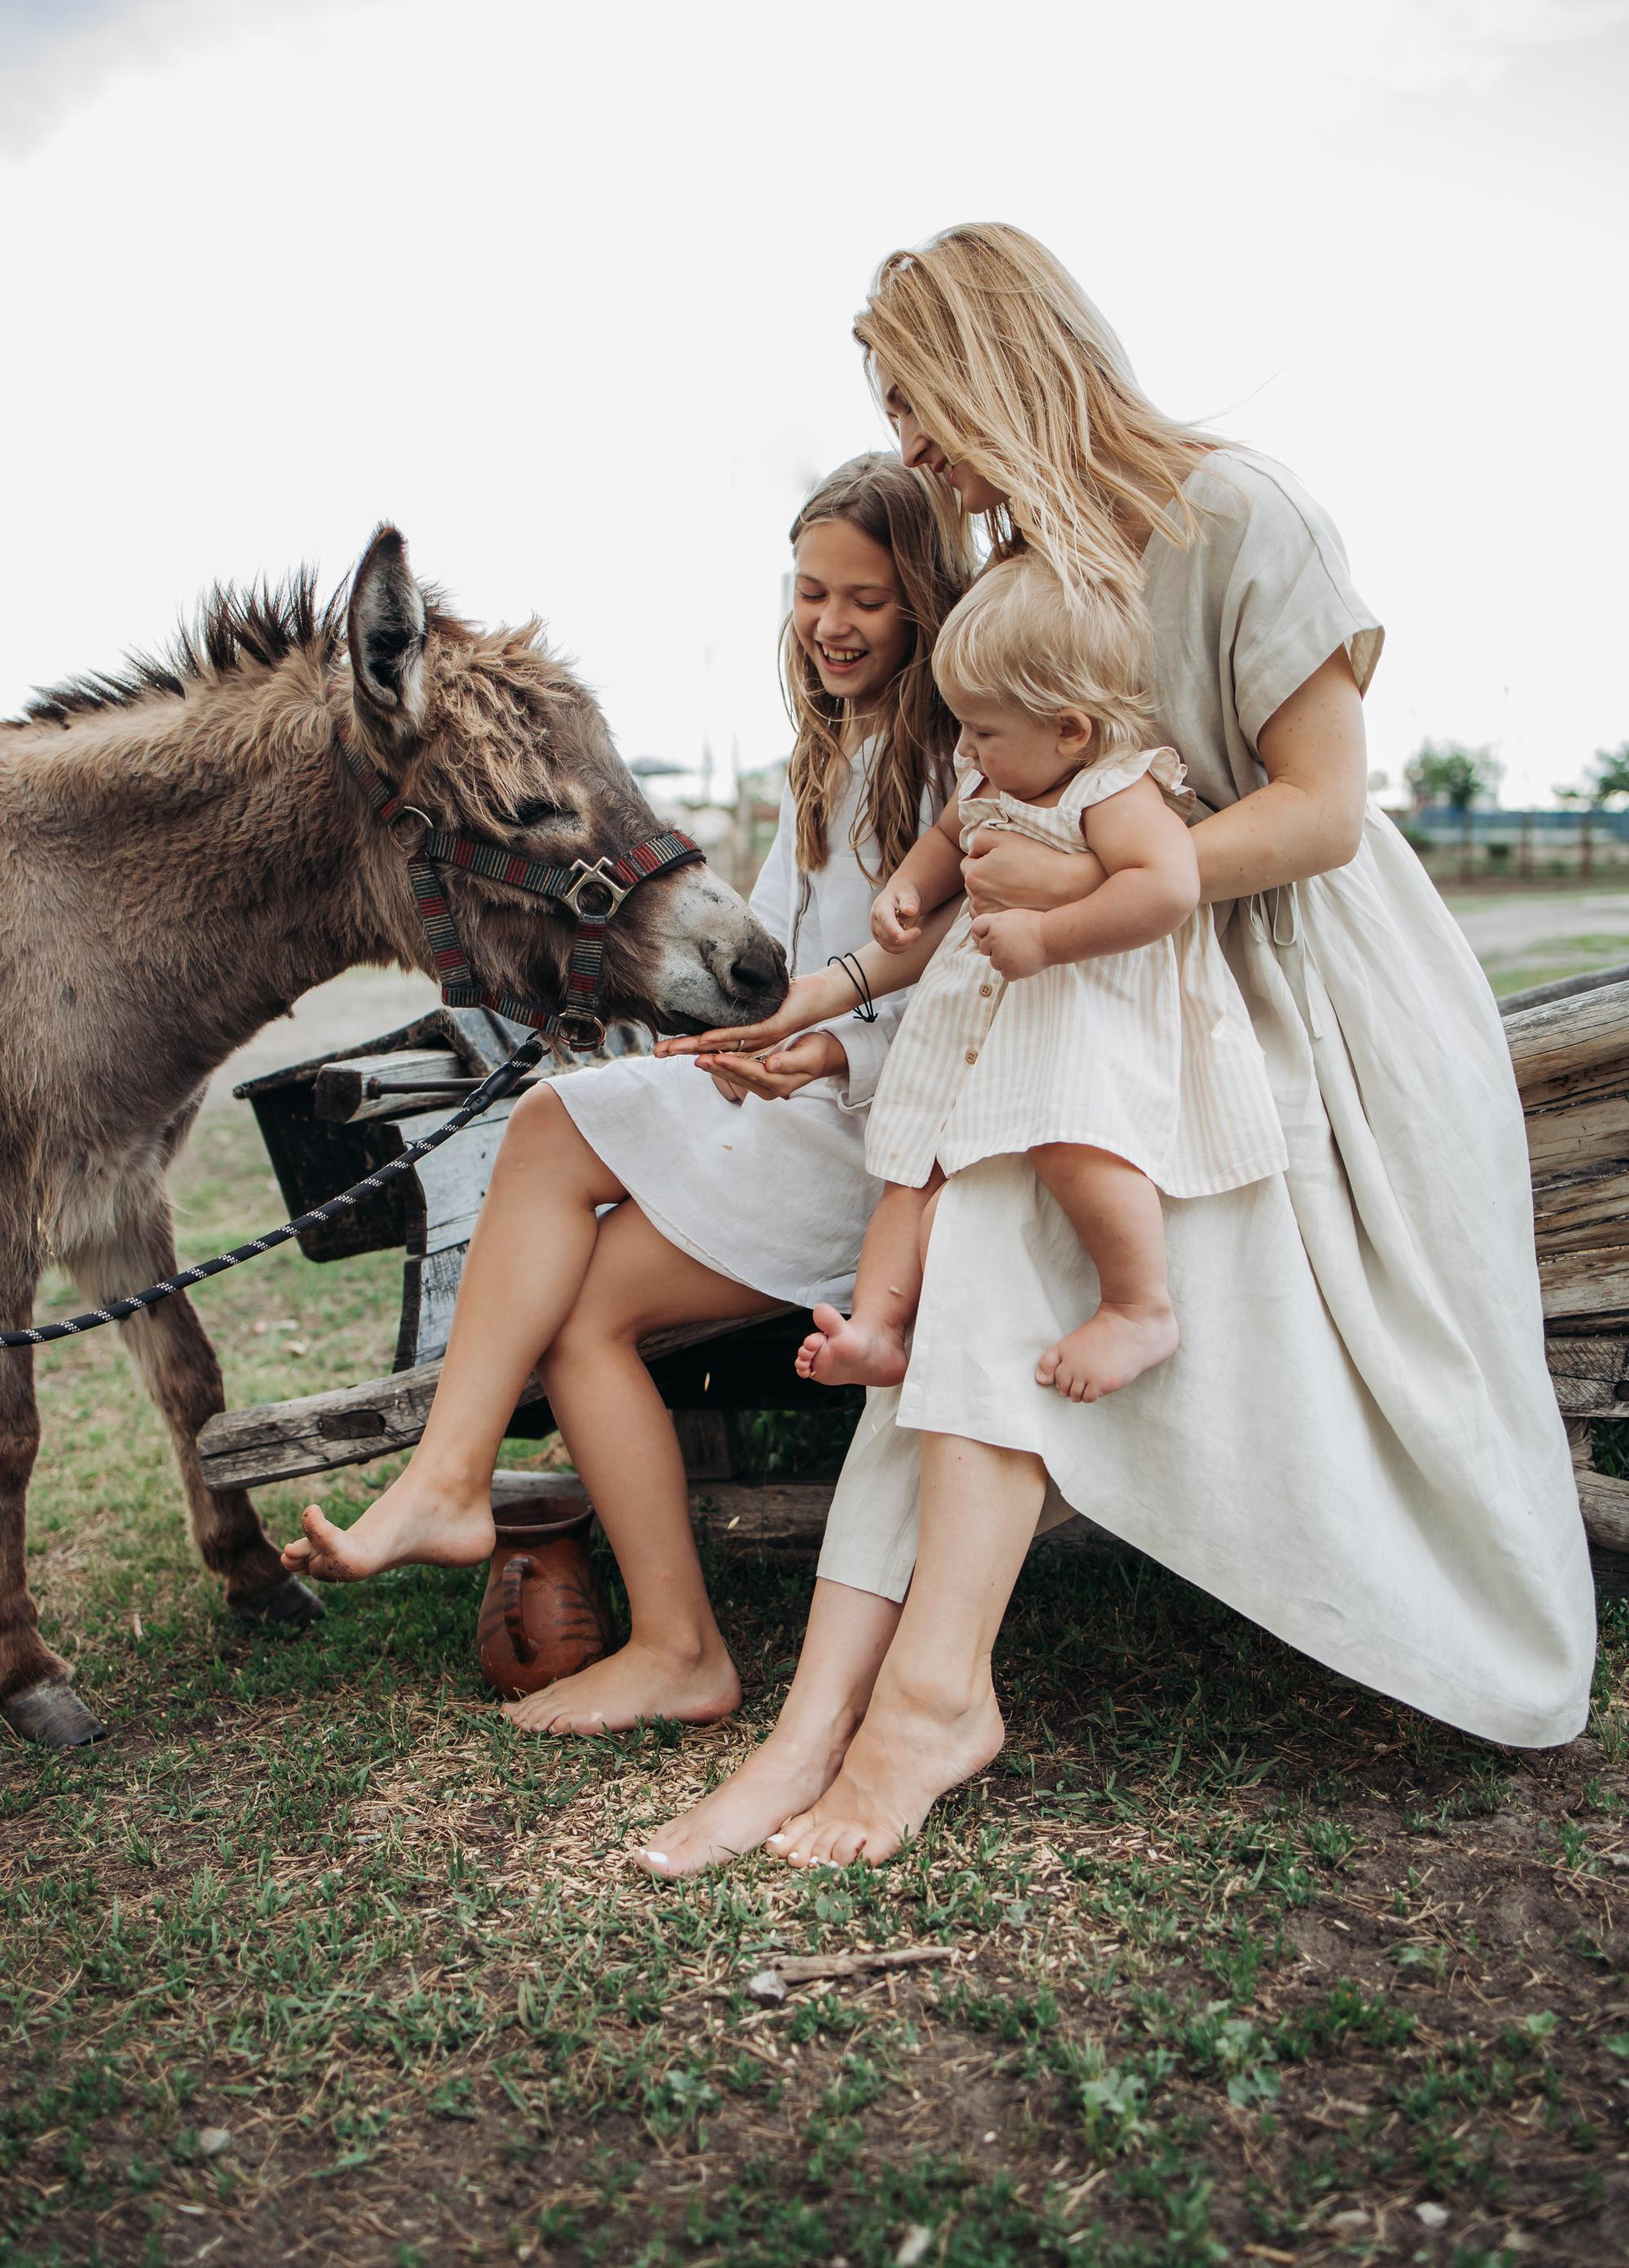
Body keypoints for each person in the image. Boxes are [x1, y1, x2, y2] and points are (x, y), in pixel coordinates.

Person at [641, 221, 1595, 1877]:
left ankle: (906, 1708)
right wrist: (825, 999)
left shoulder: (1239, 513)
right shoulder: (1027, 575)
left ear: (1000, 364)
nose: (913, 448)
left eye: (918, 401)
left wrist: (1095, 891)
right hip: (1091, 990)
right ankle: (833, 1725)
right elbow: (974, 857)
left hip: (1286, 981)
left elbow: (1322, 812)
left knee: (999, 1222)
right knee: (978, 1211)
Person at [279, 454, 973, 1750]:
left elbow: (974, 999)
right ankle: (471, 1493)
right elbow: (780, 963)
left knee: (585, 1306)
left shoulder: (963, 769)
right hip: (794, 1106)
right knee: (557, 1144)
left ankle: (659, 1632)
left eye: (867, 599)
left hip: (884, 1146)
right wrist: (722, 1039)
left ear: (926, 606)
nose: (830, 623)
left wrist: (828, 1057)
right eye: (812, 592)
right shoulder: (827, 756)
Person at [797, 551, 1285, 1405]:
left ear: (1070, 730)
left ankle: (1138, 1306)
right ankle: (876, 1327)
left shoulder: (1113, 788)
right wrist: (908, 889)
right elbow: (947, 839)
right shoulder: (989, 771)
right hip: (977, 1008)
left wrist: (1051, 937)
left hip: (1077, 1004)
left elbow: (1167, 886)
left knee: (1075, 1140)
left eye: (982, 731)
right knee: (912, 1162)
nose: (965, 749)